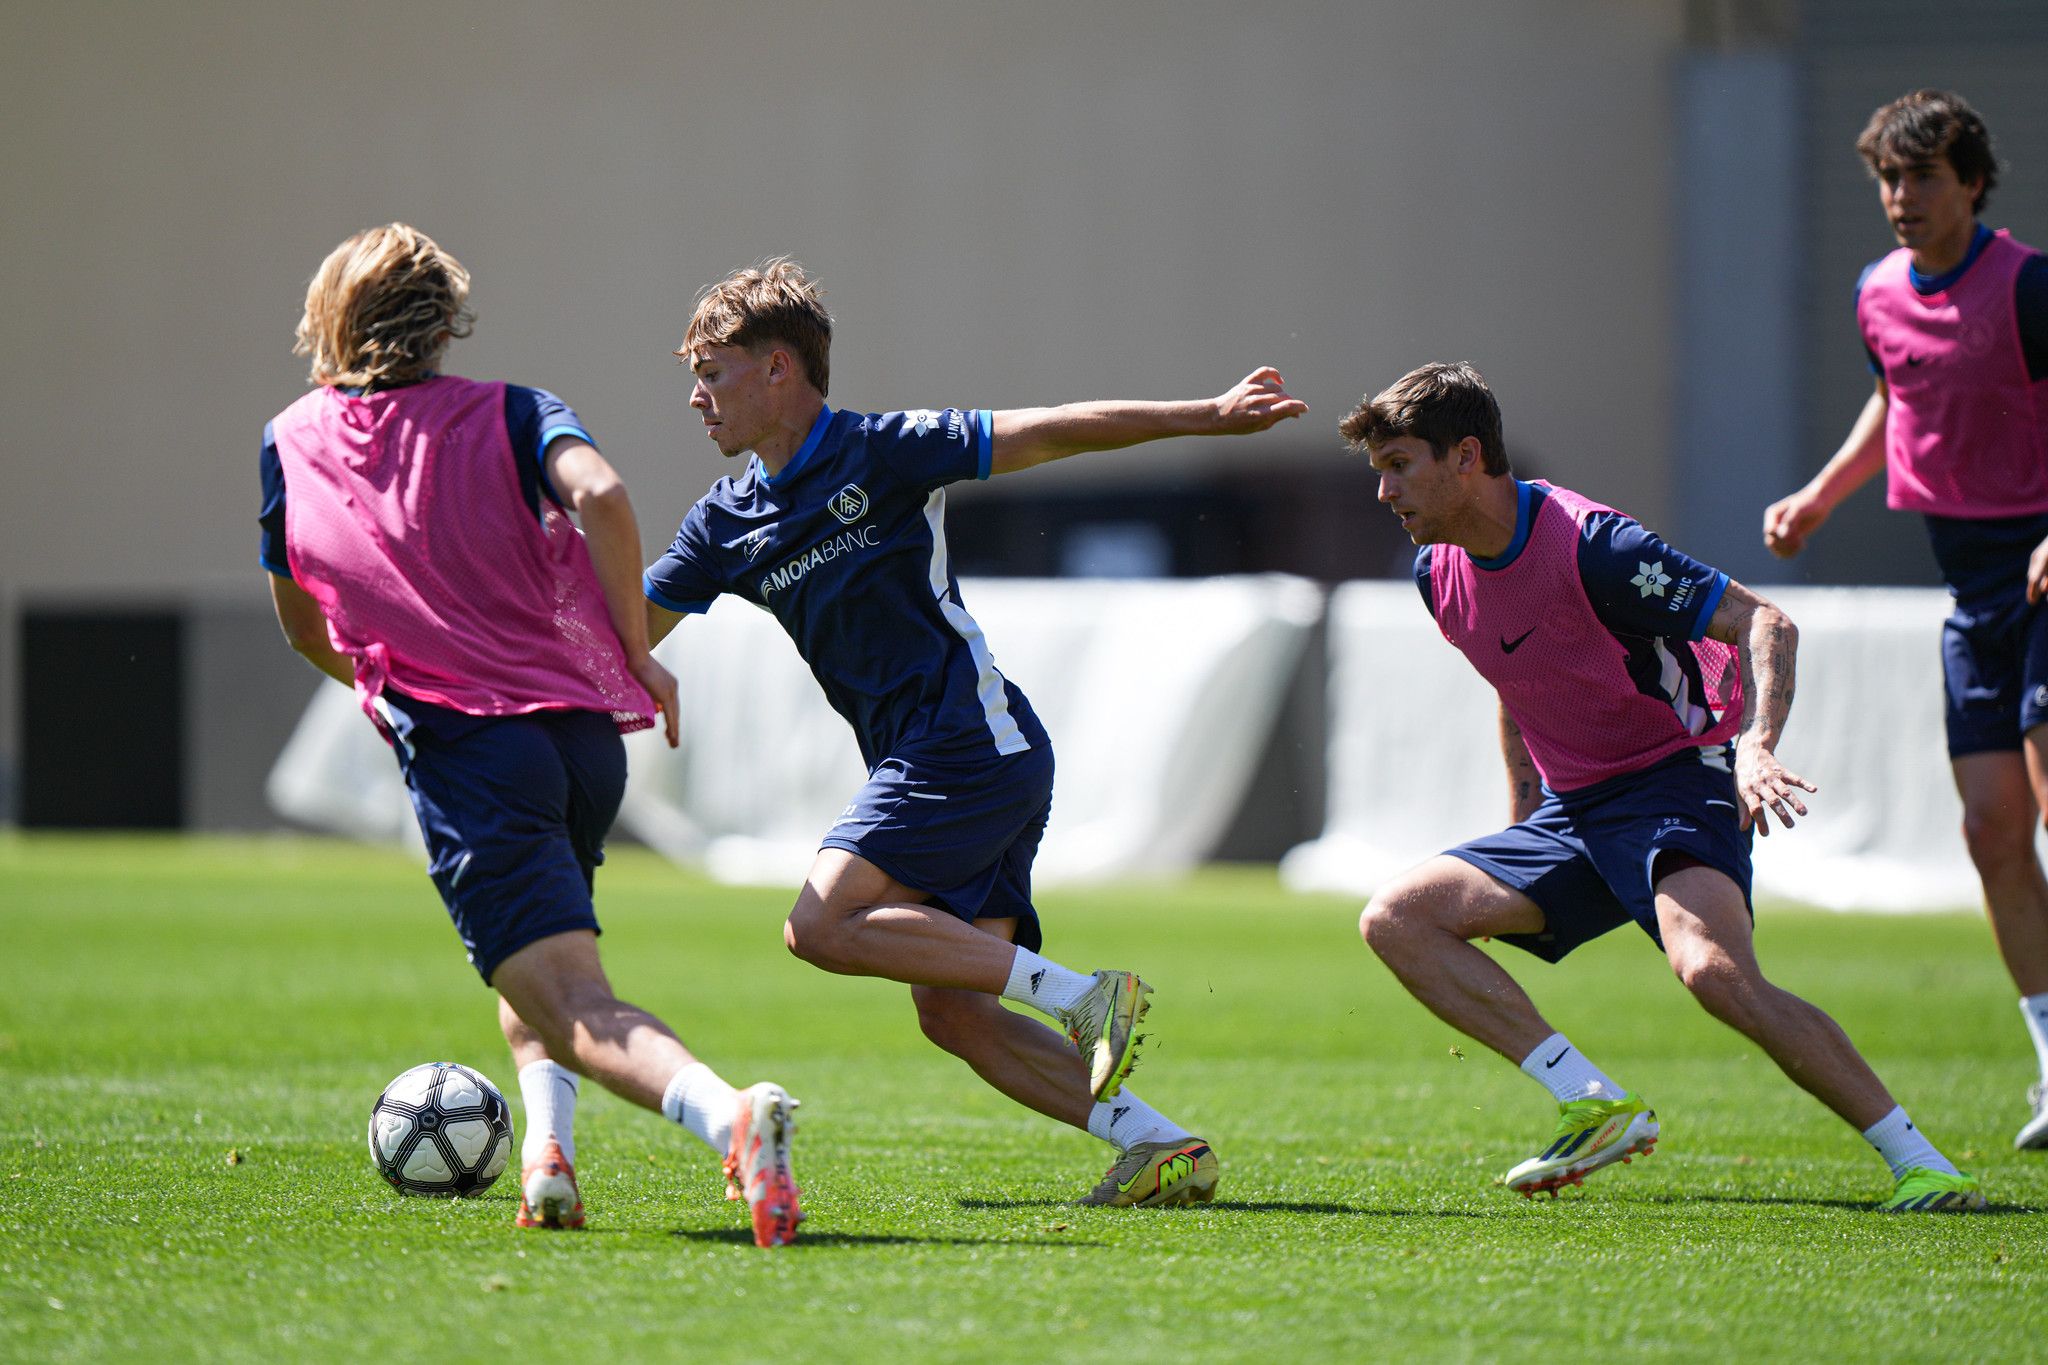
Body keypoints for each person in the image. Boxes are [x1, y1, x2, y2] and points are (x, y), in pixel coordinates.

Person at [642, 258, 1306, 1206]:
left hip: (968, 743)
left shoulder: (882, 450)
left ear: (779, 367)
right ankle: (1164, 1146)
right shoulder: (723, 522)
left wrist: (1203, 414)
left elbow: (1050, 432)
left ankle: (1086, 997)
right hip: (953, 757)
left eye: (712, 372)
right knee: (956, 1014)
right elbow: (620, 629)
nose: (698, 398)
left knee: (818, 925)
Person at [261, 224, 803, 1246]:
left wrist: (388, 674)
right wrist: (634, 649)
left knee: (575, 1001)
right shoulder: (513, 410)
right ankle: (548, 1161)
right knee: (547, 967)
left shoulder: (291, 439)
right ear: (441, 323)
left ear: (332, 316)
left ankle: (729, 1120)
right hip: (582, 740)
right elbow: (598, 493)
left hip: (473, 751)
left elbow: (303, 628)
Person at [1348, 361, 1984, 1212]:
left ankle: (1923, 1162)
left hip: (1673, 783)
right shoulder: (1440, 573)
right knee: (1398, 917)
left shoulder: (1595, 547)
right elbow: (1516, 679)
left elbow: (1765, 619)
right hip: (1574, 812)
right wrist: (1522, 814)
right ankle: (1595, 1104)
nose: (1385, 491)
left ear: (1465, 457)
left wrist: (1756, 745)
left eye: (1399, 464)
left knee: (1715, 973)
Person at [1764, 89, 2048, 1153]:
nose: (1899, 197)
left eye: (1920, 176)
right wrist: (1818, 496)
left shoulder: (2026, 287)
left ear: (1971, 183)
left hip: (2045, 561)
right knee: (1988, 830)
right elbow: (1897, 399)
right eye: (1887, 178)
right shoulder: (1876, 291)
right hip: (1972, 589)